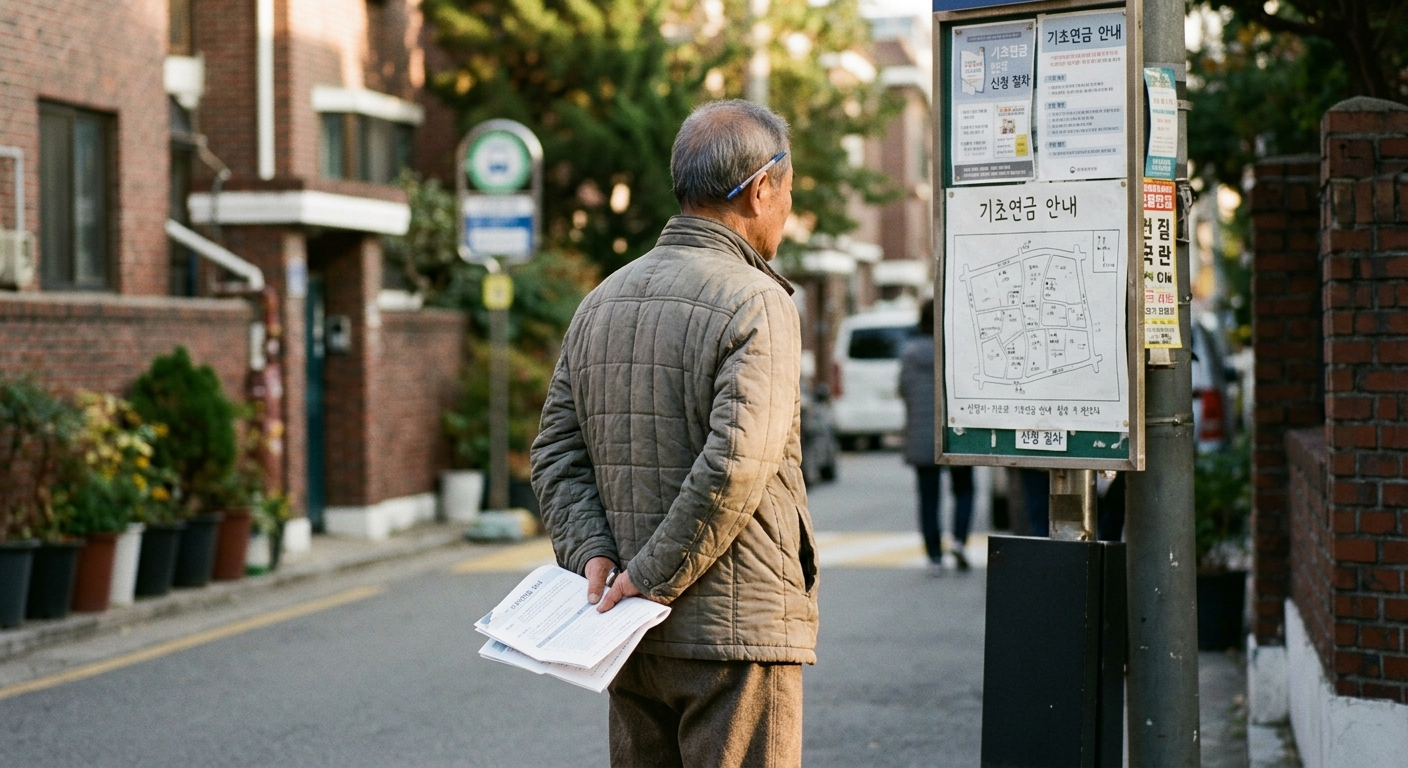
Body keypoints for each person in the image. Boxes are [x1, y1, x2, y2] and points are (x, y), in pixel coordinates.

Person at [531, 99, 817, 768]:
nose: (787, 208)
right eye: (788, 190)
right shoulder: (757, 300)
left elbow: (555, 451)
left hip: (628, 635)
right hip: (734, 636)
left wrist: (595, 558)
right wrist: (652, 578)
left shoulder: (602, 299)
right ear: (760, 187)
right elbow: (735, 463)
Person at [898, 299, 974, 572]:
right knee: (964, 490)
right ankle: (960, 541)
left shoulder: (910, 353)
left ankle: (934, 556)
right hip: (957, 433)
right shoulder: (958, 349)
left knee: (928, 498)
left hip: (922, 435)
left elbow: (904, 390)